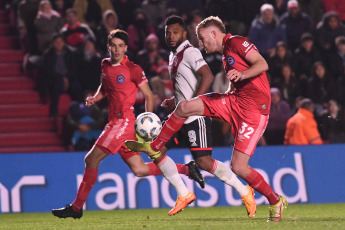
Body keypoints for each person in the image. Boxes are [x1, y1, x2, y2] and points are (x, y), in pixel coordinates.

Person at [125, 16, 288, 222]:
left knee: (238, 167)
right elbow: (236, 82)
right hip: (234, 101)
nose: (200, 44)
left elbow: (262, 64)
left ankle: (275, 201)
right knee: (184, 106)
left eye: (202, 39)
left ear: (213, 34)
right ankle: (154, 146)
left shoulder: (236, 42)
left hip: (254, 112)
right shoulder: (224, 54)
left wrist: (242, 74)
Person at [52, 29, 204, 219]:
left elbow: (149, 95)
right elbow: (105, 85)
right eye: (114, 46)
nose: (117, 50)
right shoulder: (105, 64)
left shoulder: (133, 69)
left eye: (121, 46)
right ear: (109, 47)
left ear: (125, 47)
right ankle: (187, 169)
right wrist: (96, 98)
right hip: (115, 122)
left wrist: (149, 120)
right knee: (139, 169)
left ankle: (76, 208)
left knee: (91, 160)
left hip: (123, 123)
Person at [145, 15, 257, 217]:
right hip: (179, 116)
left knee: (205, 162)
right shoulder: (173, 55)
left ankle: (244, 191)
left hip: (195, 117)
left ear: (184, 34)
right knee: (156, 150)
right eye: (168, 32)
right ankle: (184, 193)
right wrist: (175, 100)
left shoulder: (190, 51)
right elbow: (187, 83)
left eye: (175, 32)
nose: (171, 36)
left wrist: (193, 103)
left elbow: (207, 75)